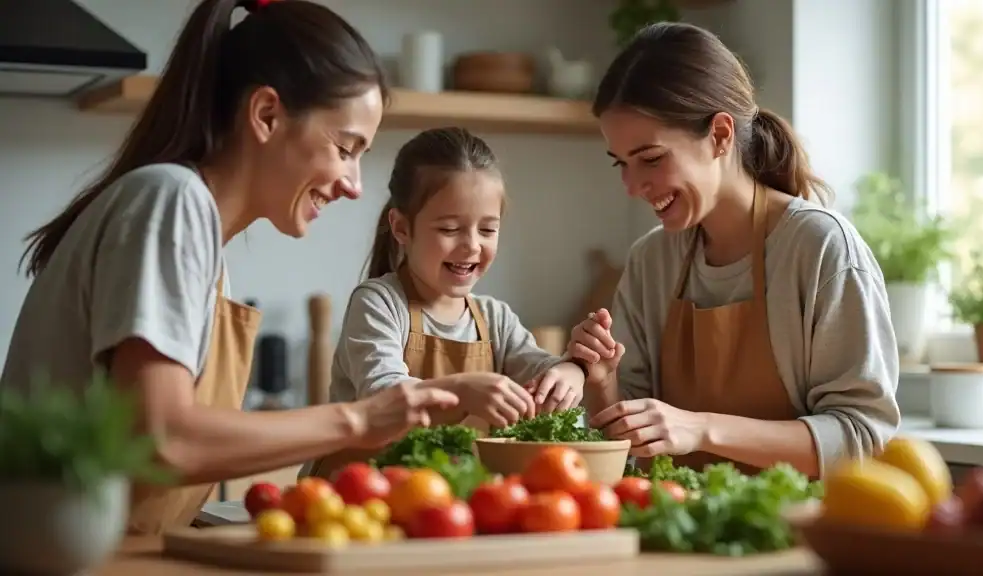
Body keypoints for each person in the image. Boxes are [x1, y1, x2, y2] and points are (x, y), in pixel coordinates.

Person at [0, 0, 460, 534]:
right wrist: (358, 419)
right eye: (345, 147)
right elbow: (162, 438)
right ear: (266, 115)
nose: (354, 185)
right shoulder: (170, 201)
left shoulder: (195, 232)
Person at [569, 22, 900, 479]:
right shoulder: (652, 262)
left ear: (721, 135)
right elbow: (630, 454)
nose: (632, 187)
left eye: (650, 158)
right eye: (621, 164)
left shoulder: (821, 248)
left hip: (796, 534)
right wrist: (602, 384)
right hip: (678, 528)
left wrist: (703, 429)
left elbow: (861, 438)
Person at [303, 127, 587, 478]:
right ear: (402, 228)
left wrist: (572, 369)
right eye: (450, 229)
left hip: (439, 503)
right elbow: (384, 394)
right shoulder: (378, 303)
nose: (471, 246)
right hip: (354, 495)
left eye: (487, 230)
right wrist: (463, 391)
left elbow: (540, 372)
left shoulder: (495, 319)